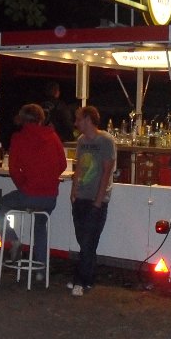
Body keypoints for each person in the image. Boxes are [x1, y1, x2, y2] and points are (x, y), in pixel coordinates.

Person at [1, 104, 67, 265]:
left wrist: (24, 186)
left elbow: (14, 170)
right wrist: (48, 178)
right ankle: (41, 270)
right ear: (41, 119)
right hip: (50, 197)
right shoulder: (53, 136)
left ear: (22, 119)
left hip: (29, 194)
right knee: (40, 225)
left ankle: (13, 240)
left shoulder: (18, 138)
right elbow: (63, 164)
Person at [69, 105, 116, 296]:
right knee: (84, 240)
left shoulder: (106, 140)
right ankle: (88, 279)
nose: (76, 123)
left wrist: (99, 200)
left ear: (88, 119)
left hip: (96, 198)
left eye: (79, 119)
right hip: (81, 195)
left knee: (88, 240)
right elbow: (79, 166)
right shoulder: (81, 141)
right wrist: (73, 191)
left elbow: (107, 171)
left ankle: (80, 280)